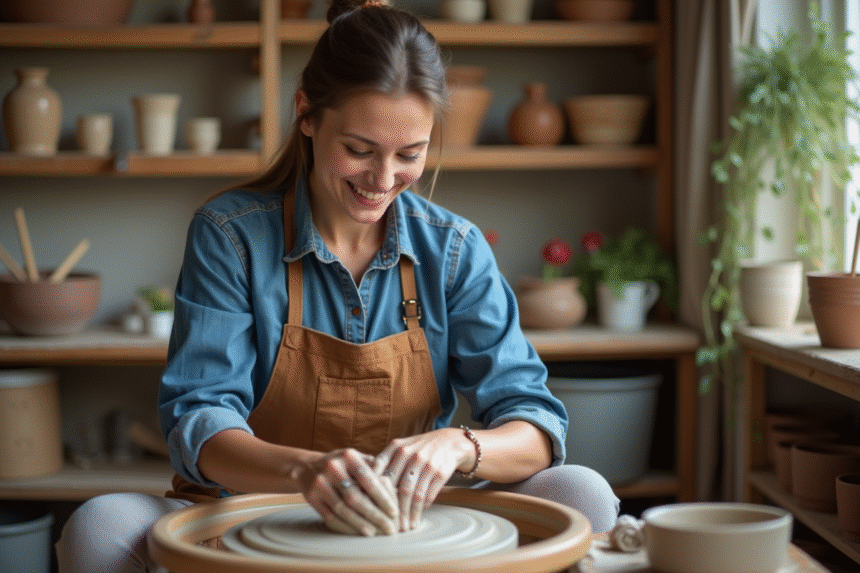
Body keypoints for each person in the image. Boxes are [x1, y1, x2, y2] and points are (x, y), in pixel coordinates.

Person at [56, 0, 619, 569]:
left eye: (410, 154)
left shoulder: (453, 250)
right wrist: (303, 470)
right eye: (359, 150)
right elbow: (199, 418)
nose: (382, 180)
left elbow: (537, 427)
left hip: (412, 524)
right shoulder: (230, 235)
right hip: (253, 519)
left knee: (583, 492)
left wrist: (459, 446)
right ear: (307, 113)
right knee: (101, 525)